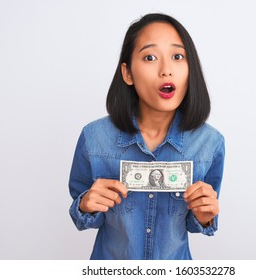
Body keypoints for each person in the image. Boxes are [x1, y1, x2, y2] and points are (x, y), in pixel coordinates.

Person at [69, 13, 225, 260]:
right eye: (150, 57)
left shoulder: (210, 144)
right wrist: (86, 204)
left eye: (177, 56)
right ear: (128, 73)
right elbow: (81, 214)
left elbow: (198, 222)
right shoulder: (93, 137)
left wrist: (205, 218)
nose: (166, 70)